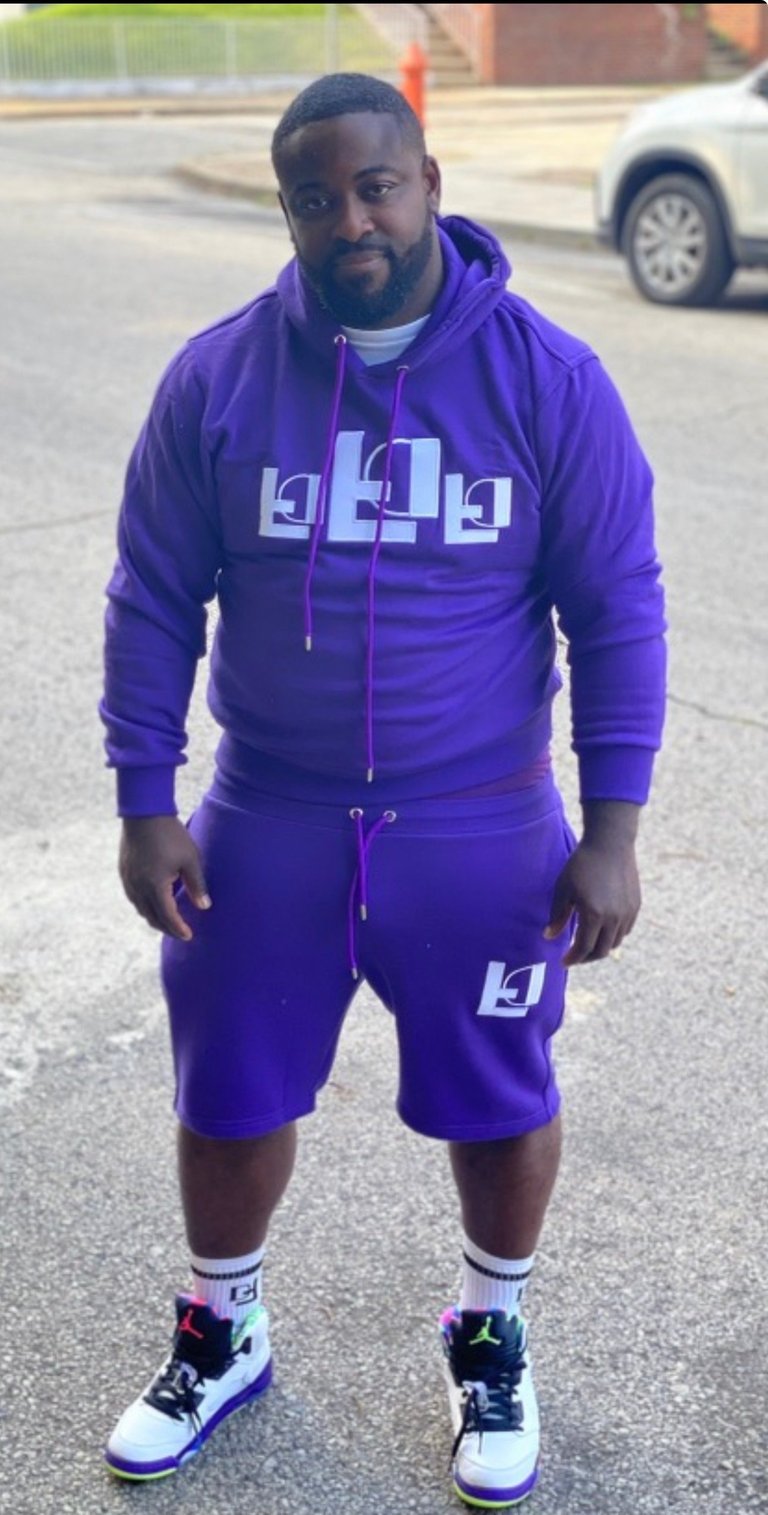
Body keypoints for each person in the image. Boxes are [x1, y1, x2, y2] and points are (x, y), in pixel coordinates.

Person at [100, 72, 665, 1508]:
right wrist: (143, 794)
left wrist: (612, 831)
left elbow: (617, 612)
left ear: (429, 176)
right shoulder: (220, 378)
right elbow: (155, 598)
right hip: (268, 813)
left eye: (376, 185)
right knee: (229, 1091)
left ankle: (492, 1334)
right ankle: (222, 1329)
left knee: (498, 1095)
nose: (349, 219)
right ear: (287, 208)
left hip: (477, 822)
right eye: (314, 197)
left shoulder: (548, 381)